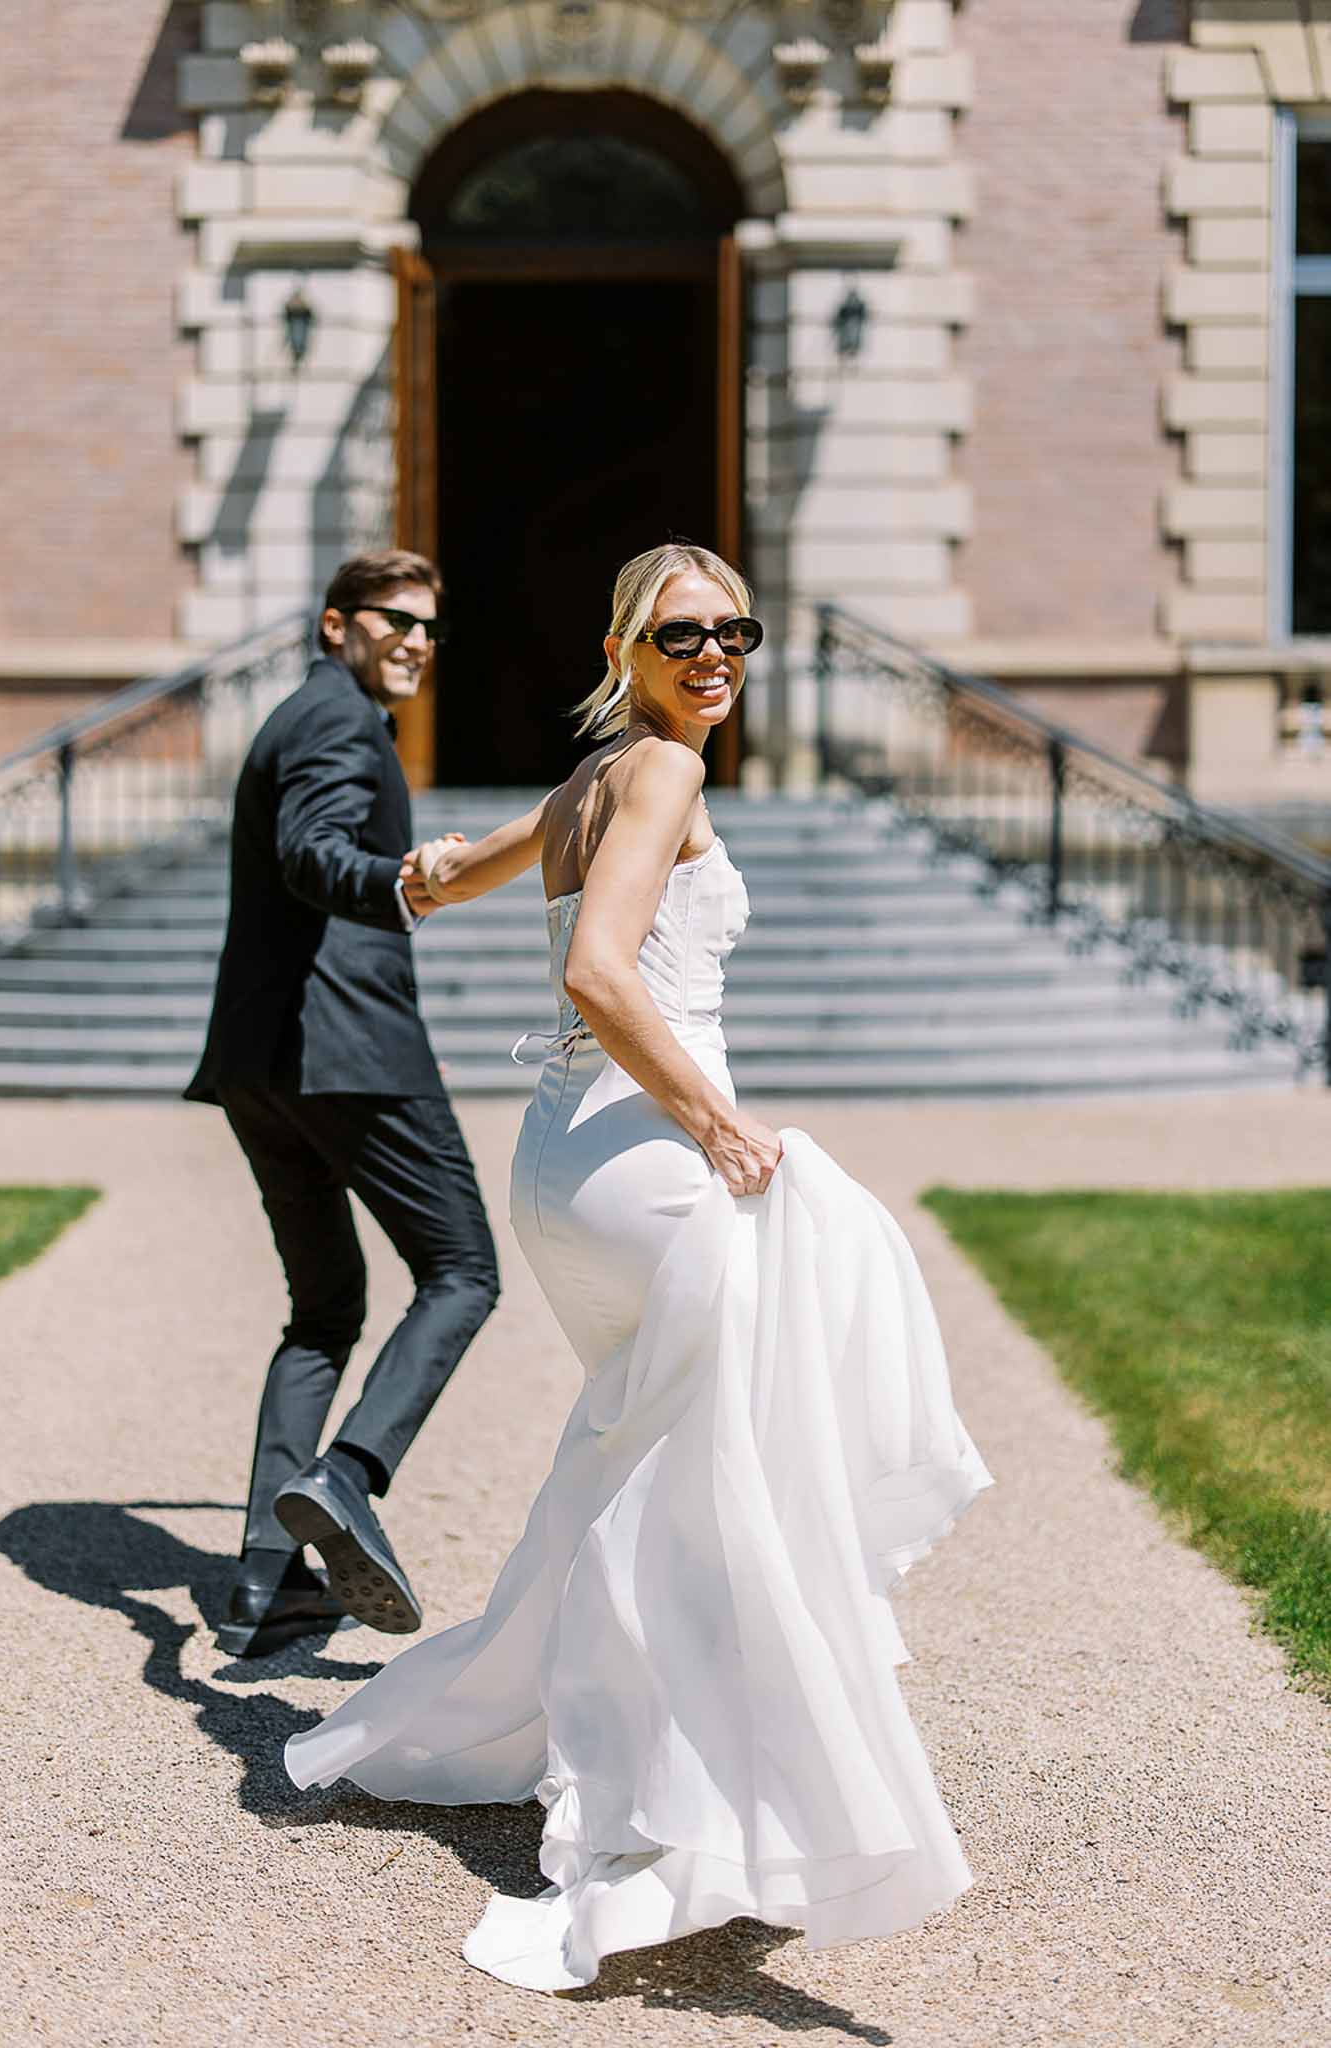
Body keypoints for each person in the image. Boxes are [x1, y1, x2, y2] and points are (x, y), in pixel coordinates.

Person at [283, 542, 992, 1989]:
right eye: (683, 636)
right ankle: (687, 1796)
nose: (715, 655)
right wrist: (723, 1125)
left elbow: (447, 878)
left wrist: (405, 880)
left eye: (737, 630)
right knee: (722, 1474)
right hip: (648, 1166)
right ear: (629, 646)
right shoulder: (660, 771)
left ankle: (650, 1746)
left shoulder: (589, 782)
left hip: (566, 1171)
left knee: (656, 1460)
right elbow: (600, 972)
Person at [186, 549, 500, 1660]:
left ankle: (263, 1586)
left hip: (262, 1064)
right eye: (393, 620)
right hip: (343, 1054)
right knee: (464, 1270)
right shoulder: (336, 722)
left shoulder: (303, 714)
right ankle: (348, 1476)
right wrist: (405, 877)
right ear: (334, 625)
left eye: (429, 625)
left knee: (323, 1312)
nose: (415, 639)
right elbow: (314, 855)